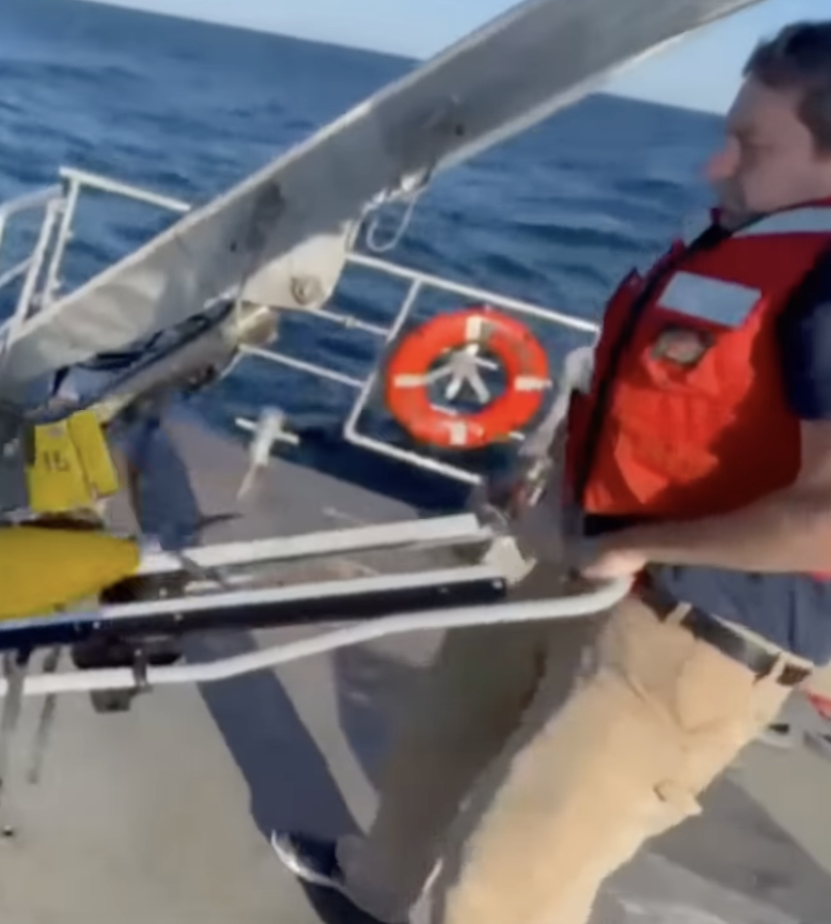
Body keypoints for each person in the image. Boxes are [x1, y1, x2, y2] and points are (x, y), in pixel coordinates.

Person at [269, 20, 831, 924]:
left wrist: (636, 544)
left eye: (751, 145)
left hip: (692, 632)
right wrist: (550, 475)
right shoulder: (730, 241)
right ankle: (376, 886)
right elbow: (650, 395)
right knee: (440, 741)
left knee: (507, 883)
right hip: (577, 548)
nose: (714, 167)